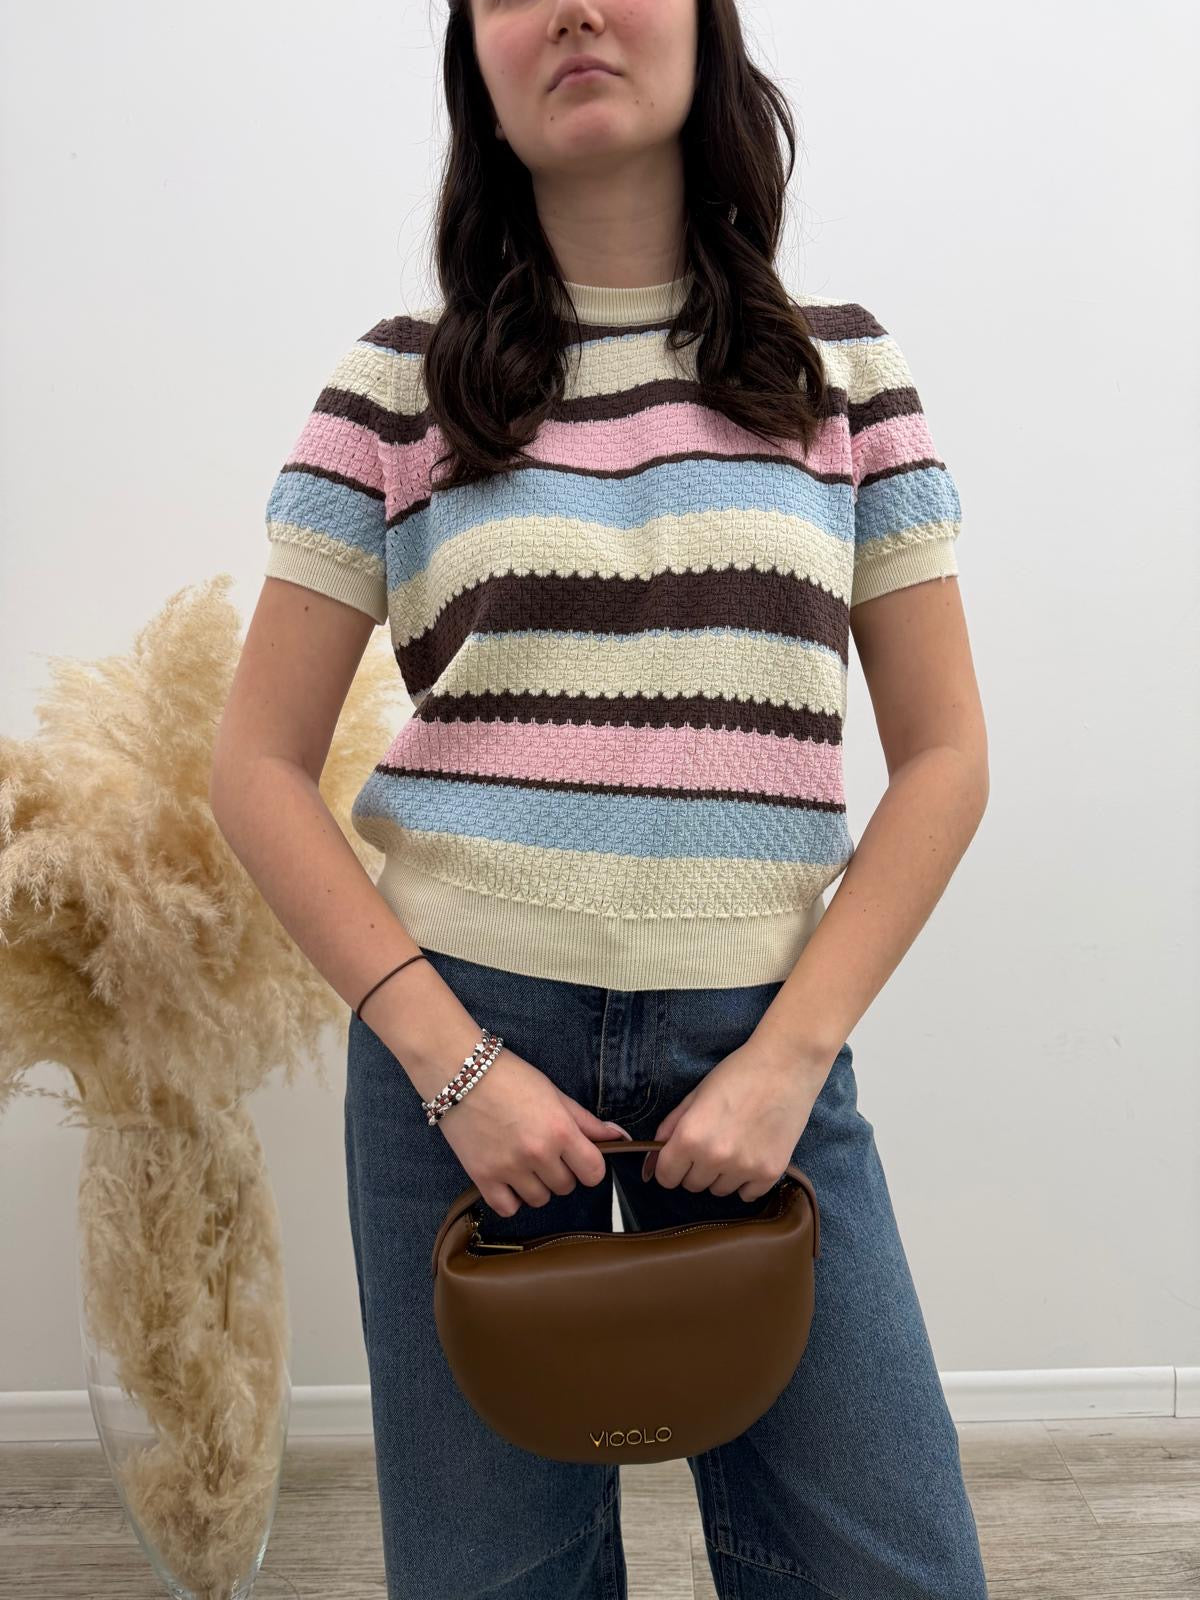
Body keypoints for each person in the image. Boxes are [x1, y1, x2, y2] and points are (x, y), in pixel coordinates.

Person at [210, 1, 991, 1595]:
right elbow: (255, 765)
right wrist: (454, 1070)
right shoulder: (396, 386)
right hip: (464, 1071)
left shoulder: (845, 372)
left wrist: (788, 1062)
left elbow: (947, 758)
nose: (569, 8)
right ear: (476, 66)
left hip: (762, 1056)